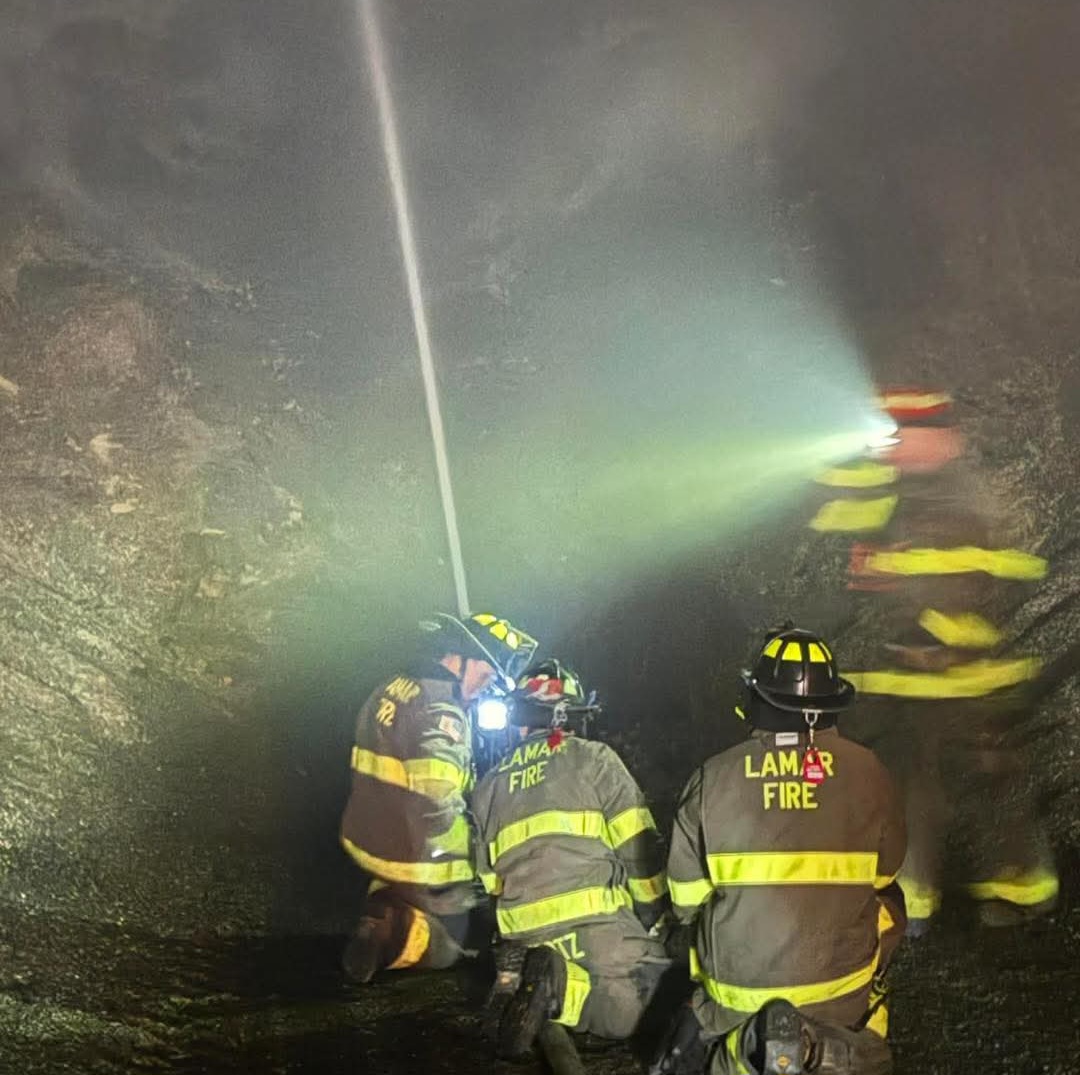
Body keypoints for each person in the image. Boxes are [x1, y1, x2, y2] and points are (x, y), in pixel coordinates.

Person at [809, 386, 1054, 933]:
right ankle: (912, 902)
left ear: (943, 439)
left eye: (906, 432)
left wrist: (929, 622)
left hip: (969, 680)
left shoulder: (962, 500)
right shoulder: (894, 493)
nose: (894, 443)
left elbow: (985, 581)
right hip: (916, 681)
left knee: (988, 785)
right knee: (912, 785)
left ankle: (1021, 893)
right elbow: (835, 525)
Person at [656, 626, 906, 1075]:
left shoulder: (712, 777)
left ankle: (743, 1048)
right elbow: (885, 874)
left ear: (757, 699)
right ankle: (840, 1042)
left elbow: (685, 901)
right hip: (841, 997)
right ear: (833, 702)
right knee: (891, 901)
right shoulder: (870, 770)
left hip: (735, 998)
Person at [472, 659, 672, 1059]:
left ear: (519, 720)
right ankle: (562, 990)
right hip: (596, 930)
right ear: (572, 716)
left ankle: (525, 986)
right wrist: (657, 917)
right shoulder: (595, 759)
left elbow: (488, 882)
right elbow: (639, 851)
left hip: (522, 938)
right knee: (655, 1003)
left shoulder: (487, 786)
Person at [339, 610, 538, 983]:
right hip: (415, 854)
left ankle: (381, 906)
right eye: (485, 675)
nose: (483, 687)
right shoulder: (442, 711)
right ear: (460, 658)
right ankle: (390, 938)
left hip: (367, 834)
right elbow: (436, 800)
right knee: (458, 943)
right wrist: (477, 861)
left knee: (405, 882)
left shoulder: (393, 685)